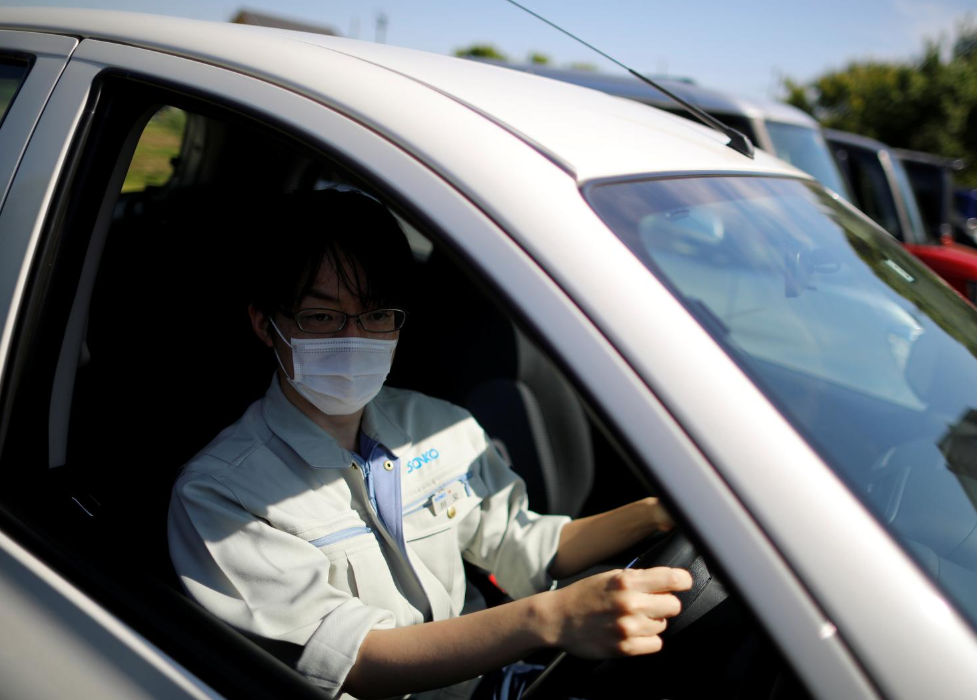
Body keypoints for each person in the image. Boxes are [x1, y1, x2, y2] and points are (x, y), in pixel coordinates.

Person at [168, 189, 692, 700]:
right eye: (322, 317)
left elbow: (523, 544)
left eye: (376, 315)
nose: (354, 339)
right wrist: (548, 618)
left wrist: (656, 514)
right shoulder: (222, 493)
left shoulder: (440, 425)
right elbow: (358, 661)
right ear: (265, 324)